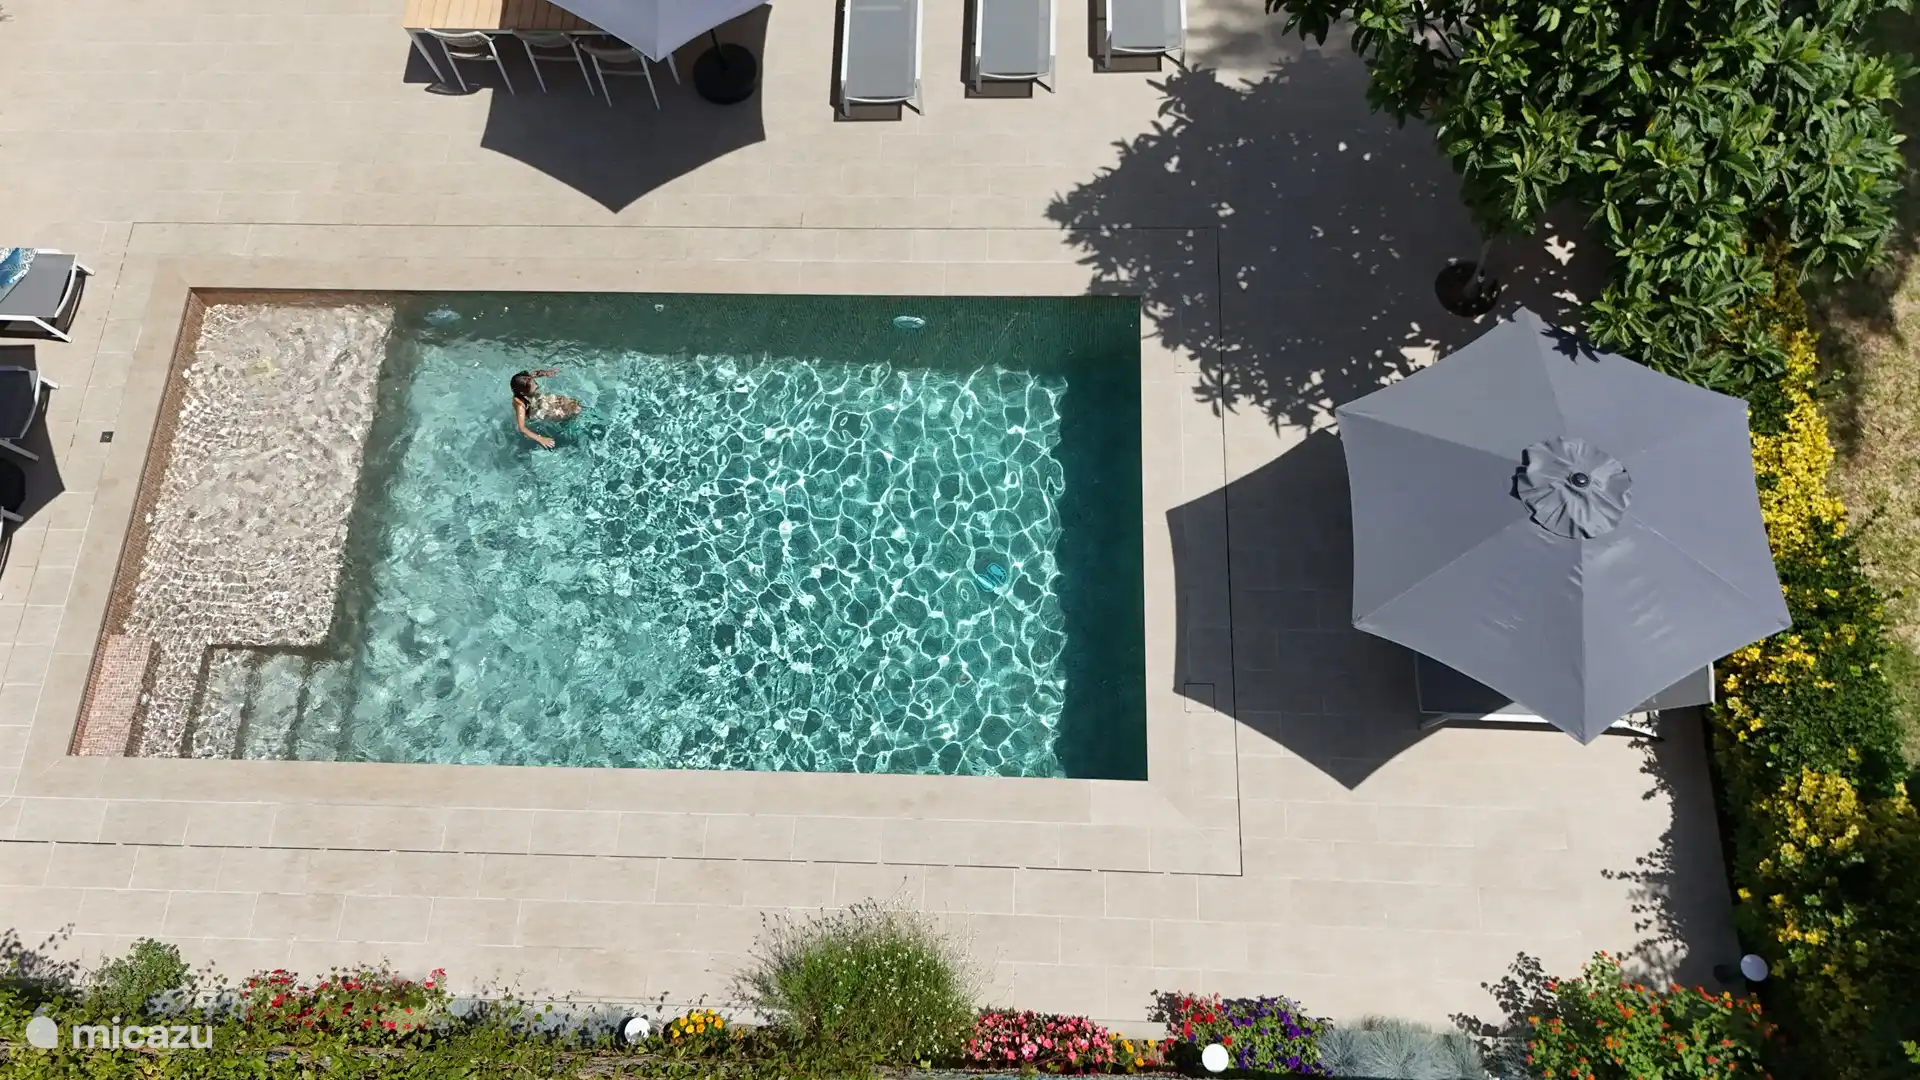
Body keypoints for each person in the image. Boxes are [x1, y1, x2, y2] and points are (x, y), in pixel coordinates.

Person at [510, 368, 580, 449]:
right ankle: (567, 424)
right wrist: (541, 439)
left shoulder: (526, 380)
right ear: (523, 393)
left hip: (538, 399)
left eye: (535, 383)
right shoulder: (520, 405)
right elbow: (521, 428)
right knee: (567, 412)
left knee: (573, 404)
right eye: (535, 387)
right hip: (534, 411)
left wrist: (546, 373)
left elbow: (536, 373)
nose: (537, 386)